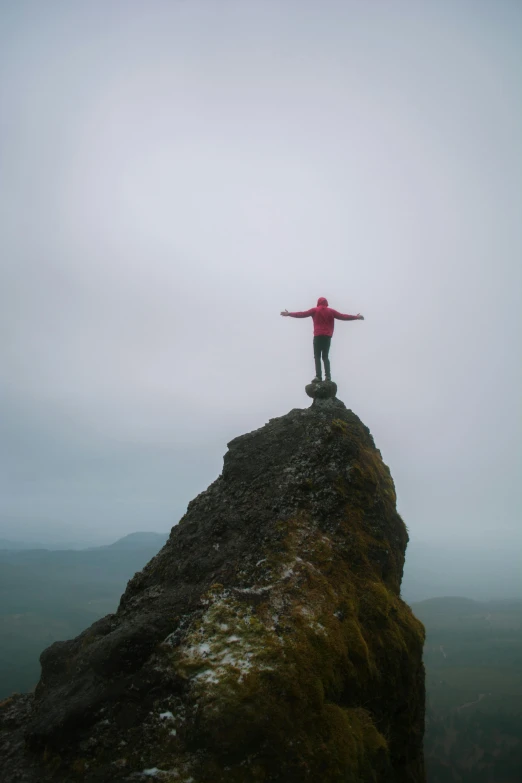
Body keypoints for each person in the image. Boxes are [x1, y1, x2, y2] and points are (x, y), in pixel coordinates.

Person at [281, 297, 364, 382]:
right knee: (325, 357)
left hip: (318, 336)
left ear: (318, 303)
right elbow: (343, 316)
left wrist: (289, 314)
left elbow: (302, 314)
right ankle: (328, 377)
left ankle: (318, 377)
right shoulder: (331, 311)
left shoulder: (315, 310)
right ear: (326, 303)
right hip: (327, 336)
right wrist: (356, 317)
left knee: (317, 356)